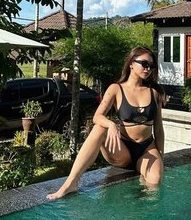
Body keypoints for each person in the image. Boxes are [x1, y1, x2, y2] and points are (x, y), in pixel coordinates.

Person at [47, 46, 164, 200]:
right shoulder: (116, 89)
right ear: (131, 63)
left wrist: (160, 157)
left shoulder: (154, 92)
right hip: (122, 149)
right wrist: (111, 124)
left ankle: (141, 181)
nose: (148, 69)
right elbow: (97, 116)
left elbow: (158, 128)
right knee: (99, 128)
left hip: (147, 149)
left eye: (151, 66)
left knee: (155, 183)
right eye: (144, 64)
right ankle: (70, 183)